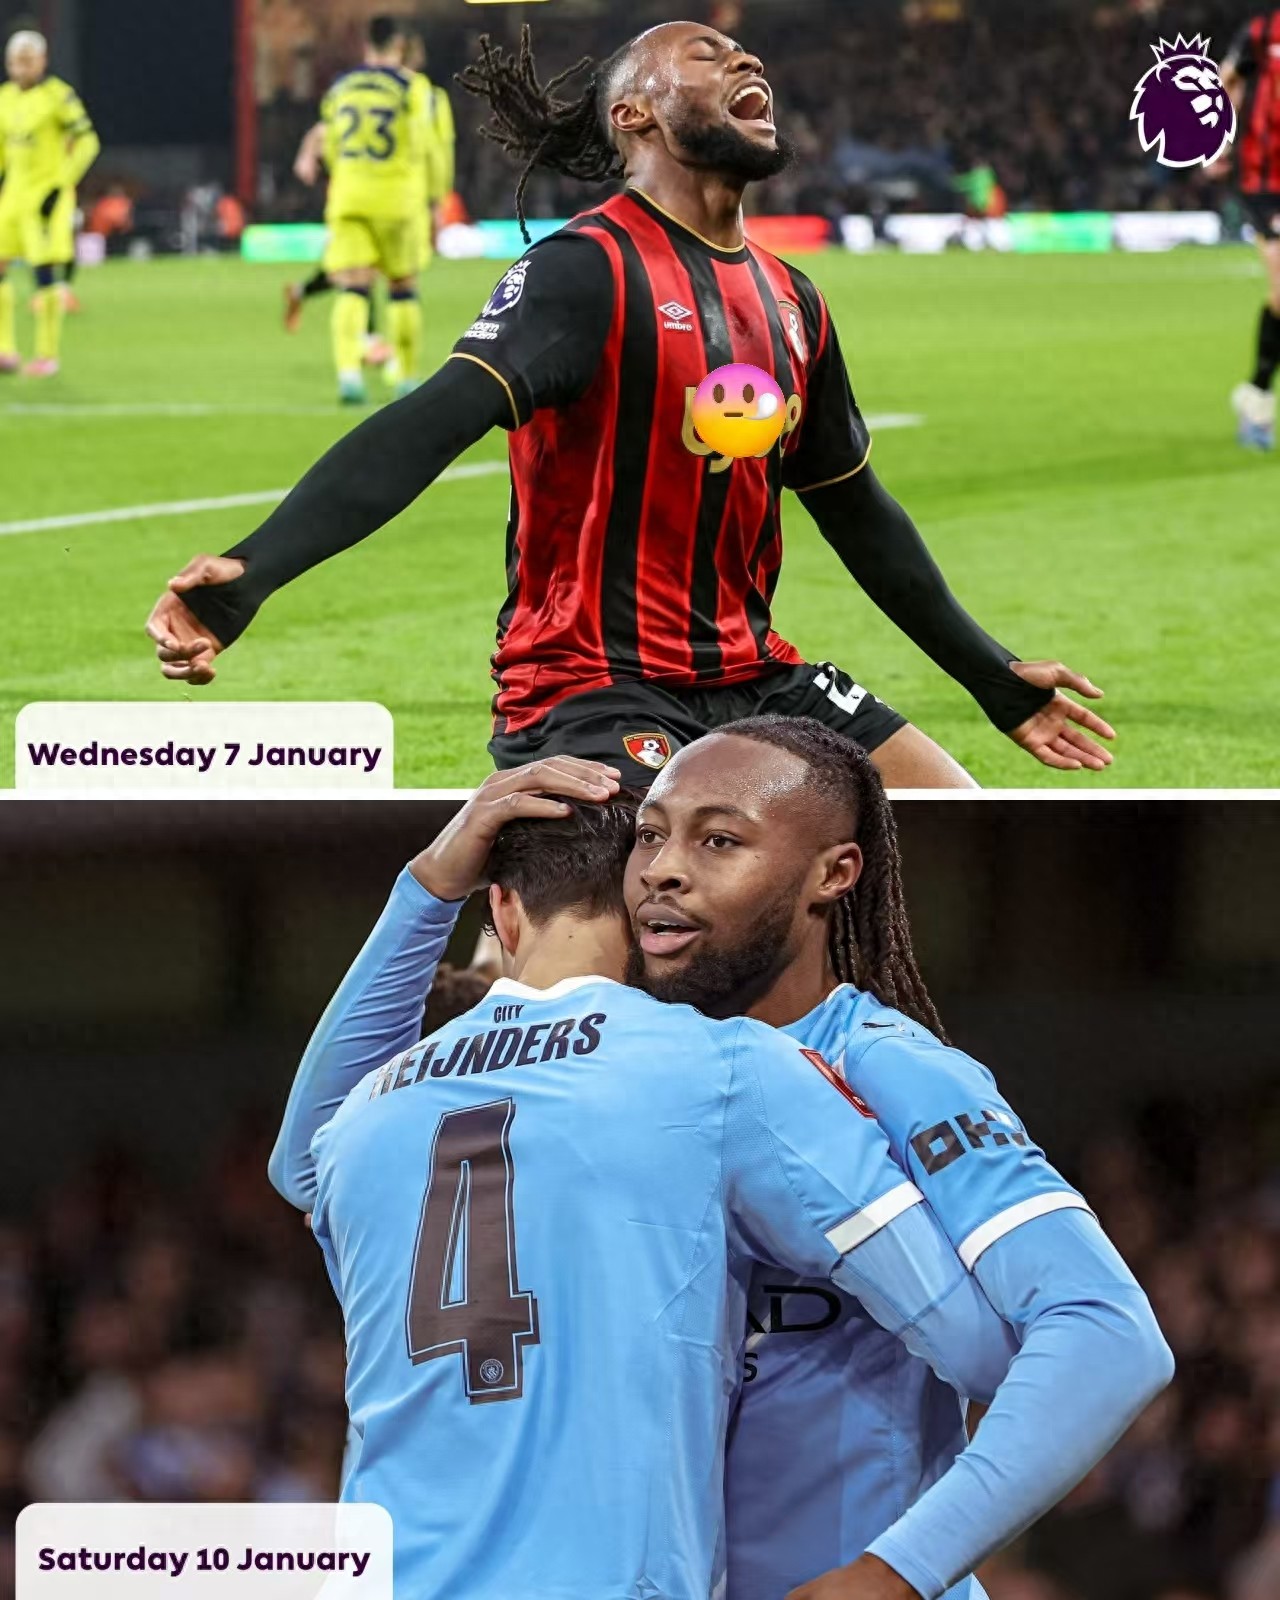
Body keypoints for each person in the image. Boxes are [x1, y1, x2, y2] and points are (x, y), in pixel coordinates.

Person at [285, 734, 1174, 1600]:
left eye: (718, 840)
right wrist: (430, 887)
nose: (666, 870)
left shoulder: (882, 1065)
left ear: (835, 873)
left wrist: (899, 1569)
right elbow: (307, 1165)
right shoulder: (658, 1075)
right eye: (650, 837)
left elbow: (1098, 1335)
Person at [145, 21, 1113, 791]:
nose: (744, 57)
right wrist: (248, 577)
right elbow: (425, 427)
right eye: (704, 54)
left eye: (738, 50)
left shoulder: (792, 300)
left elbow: (858, 512)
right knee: (657, 917)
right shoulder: (584, 270)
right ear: (634, 118)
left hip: (754, 675)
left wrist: (993, 679)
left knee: (948, 815)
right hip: (590, 687)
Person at [291, 15, 434, 404]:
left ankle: (349, 376)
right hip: (398, 199)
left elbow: (330, 140)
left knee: (353, 287)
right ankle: (405, 378)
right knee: (402, 288)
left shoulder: (341, 87)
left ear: (366, 43)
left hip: (350, 197)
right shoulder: (412, 87)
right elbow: (424, 145)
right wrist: (435, 197)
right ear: (398, 45)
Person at [0, 29, 98, 377]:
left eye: (28, 60)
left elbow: (88, 142)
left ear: (42, 61)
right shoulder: (4, 98)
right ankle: (5, 350)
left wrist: (62, 184)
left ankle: (46, 355)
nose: (21, 67)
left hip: (45, 198)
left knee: (43, 274)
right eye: (15, 60)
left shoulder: (59, 97)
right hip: (12, 196)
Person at [1221, 12, 1280, 449]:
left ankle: (1255, 392)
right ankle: (1258, 397)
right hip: (1265, 178)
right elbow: (1228, 81)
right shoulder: (1262, 31)